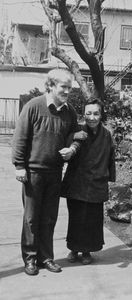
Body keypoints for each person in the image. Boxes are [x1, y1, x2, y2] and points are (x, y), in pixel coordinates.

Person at [12, 68, 86, 275]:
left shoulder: (69, 111)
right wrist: (19, 165)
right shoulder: (33, 107)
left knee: (49, 217)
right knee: (31, 218)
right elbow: (20, 137)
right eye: (63, 87)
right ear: (51, 86)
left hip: (55, 173)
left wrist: (72, 148)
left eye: (70, 88)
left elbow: (76, 134)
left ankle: (46, 258)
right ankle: (30, 259)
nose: (67, 91)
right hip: (33, 173)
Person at [61, 98, 116, 265]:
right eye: (88, 113)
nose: (92, 117)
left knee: (92, 219)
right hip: (77, 181)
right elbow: (68, 144)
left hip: (97, 181)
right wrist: (72, 138)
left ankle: (87, 251)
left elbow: (110, 157)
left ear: (101, 115)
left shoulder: (106, 134)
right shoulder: (78, 130)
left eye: (96, 113)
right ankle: (73, 248)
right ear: (83, 114)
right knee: (76, 217)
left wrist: (111, 178)